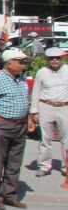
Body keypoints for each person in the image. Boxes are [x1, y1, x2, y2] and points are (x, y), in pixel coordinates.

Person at [0, 47, 33, 210]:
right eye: (20, 62)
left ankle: (9, 195)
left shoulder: (21, 79)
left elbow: (25, 101)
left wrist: (29, 119)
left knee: (14, 163)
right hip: (3, 125)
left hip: (20, 126)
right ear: (9, 63)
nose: (22, 65)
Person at [31, 47, 68, 178]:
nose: (54, 60)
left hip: (64, 106)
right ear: (47, 59)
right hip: (46, 106)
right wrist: (34, 111)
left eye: (57, 58)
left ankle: (66, 167)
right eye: (51, 58)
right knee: (44, 138)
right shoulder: (41, 72)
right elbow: (36, 91)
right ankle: (44, 166)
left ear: (62, 58)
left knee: (66, 138)